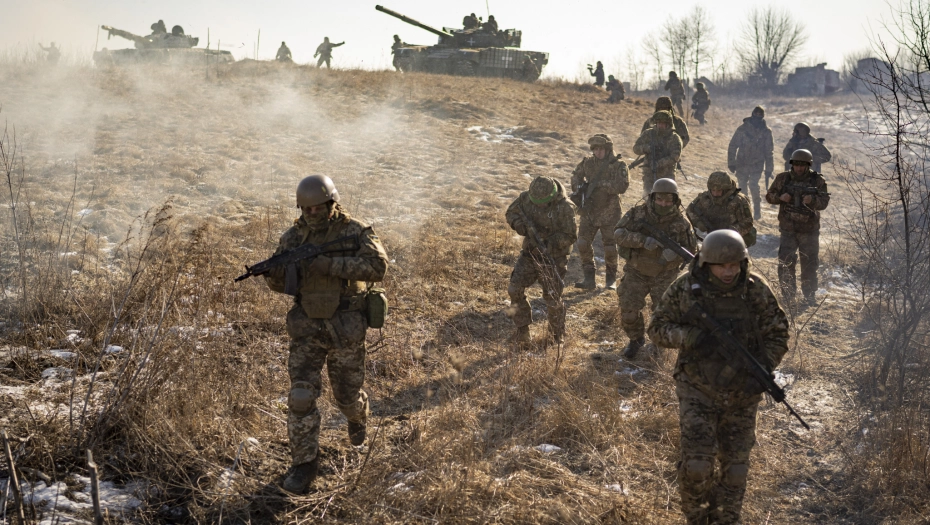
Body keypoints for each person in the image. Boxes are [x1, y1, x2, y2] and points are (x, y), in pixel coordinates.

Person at [647, 229, 789, 525]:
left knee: (735, 470)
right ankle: (697, 518)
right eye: (722, 266)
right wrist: (689, 337)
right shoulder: (685, 288)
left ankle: (726, 519)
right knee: (697, 466)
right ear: (706, 263)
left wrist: (762, 369)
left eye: (734, 265)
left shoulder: (754, 290)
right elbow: (657, 328)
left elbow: (778, 334)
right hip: (697, 389)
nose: (729, 272)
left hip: (743, 393)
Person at [263, 175, 389, 494]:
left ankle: (357, 416)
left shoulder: (355, 231)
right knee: (301, 396)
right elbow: (281, 285)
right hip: (307, 327)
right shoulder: (293, 237)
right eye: (306, 209)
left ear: (332, 203)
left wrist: (330, 266)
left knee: (346, 398)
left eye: (318, 208)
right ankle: (304, 465)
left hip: (346, 326)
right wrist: (275, 275)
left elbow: (378, 267)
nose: (312, 214)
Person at [614, 178, 697, 358]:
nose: (663, 204)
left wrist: (674, 257)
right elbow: (618, 234)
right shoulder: (637, 214)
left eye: (668, 200)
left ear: (675, 200)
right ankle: (635, 340)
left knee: (663, 315)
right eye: (660, 199)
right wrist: (642, 241)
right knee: (628, 310)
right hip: (636, 271)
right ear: (652, 197)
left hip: (665, 275)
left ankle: (658, 345)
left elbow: (691, 250)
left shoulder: (682, 223)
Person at [505, 176, 577, 346]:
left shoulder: (565, 207)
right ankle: (522, 331)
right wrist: (519, 225)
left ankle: (556, 336)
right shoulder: (526, 198)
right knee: (514, 289)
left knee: (552, 297)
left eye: (542, 203)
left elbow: (570, 236)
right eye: (535, 202)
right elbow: (511, 213)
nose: (538, 206)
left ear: (551, 197)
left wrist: (547, 244)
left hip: (554, 258)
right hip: (529, 254)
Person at [765, 149, 830, 306]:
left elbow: (824, 202)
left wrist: (812, 200)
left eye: (802, 165)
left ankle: (809, 295)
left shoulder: (817, 181)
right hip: (788, 230)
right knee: (786, 262)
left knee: (809, 264)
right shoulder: (782, 178)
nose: (799, 168)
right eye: (796, 165)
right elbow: (769, 196)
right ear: (792, 164)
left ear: (808, 165)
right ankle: (788, 296)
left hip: (809, 231)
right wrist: (780, 197)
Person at [571, 134, 630, 291]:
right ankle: (589, 278)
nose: (598, 152)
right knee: (582, 243)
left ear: (608, 149)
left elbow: (622, 186)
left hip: (610, 211)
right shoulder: (587, 163)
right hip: (589, 211)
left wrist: (601, 185)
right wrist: (580, 188)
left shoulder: (618, 165)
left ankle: (610, 280)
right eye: (595, 149)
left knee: (610, 246)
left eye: (601, 149)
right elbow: (575, 176)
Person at [686, 171, 756, 248]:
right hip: (709, 239)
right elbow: (690, 210)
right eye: (713, 190)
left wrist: (730, 232)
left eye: (719, 191)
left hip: (733, 242)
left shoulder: (739, 201)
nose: (715, 194)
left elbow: (747, 223)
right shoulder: (705, 198)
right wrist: (698, 222)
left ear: (726, 189)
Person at [727, 106, 774, 220]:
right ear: (752, 114)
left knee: (753, 185)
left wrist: (769, 169)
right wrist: (731, 162)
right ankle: (745, 211)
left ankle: (757, 211)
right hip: (742, 163)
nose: (758, 116)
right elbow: (733, 146)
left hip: (757, 164)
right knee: (742, 188)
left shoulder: (766, 132)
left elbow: (769, 152)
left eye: (760, 114)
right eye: (756, 114)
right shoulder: (742, 129)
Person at [633, 110, 683, 197]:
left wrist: (659, 164)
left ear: (668, 124)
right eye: (659, 123)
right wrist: (647, 148)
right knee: (648, 197)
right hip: (649, 173)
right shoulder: (648, 134)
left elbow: (674, 157)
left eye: (663, 123)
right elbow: (636, 148)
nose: (660, 125)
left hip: (667, 174)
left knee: (666, 197)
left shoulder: (675, 138)